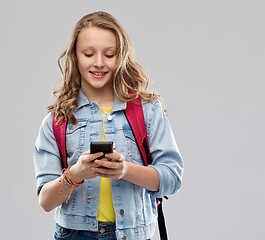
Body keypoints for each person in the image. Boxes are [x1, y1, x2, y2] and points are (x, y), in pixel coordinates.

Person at [34, 11, 183, 240]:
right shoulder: (58, 120)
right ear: (75, 56)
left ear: (120, 56)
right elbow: (45, 200)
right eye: (89, 53)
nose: (99, 63)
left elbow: (172, 177)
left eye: (109, 54)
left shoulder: (147, 110)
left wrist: (126, 170)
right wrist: (76, 174)